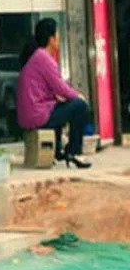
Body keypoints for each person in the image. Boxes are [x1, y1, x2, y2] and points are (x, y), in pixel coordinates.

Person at [16, 18, 91, 169]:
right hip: (37, 115)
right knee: (80, 106)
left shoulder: (37, 57)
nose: (59, 37)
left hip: (30, 115)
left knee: (59, 106)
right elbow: (61, 87)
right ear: (51, 38)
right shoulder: (43, 57)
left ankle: (57, 152)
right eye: (57, 33)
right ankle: (74, 152)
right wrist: (78, 96)